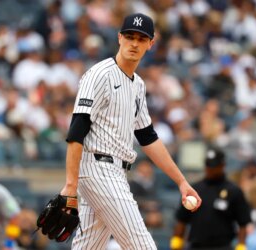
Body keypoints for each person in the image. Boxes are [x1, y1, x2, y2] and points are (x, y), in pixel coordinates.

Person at [59, 12, 201, 249]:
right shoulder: (99, 74)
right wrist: (70, 186)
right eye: (129, 36)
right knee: (142, 245)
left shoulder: (138, 84)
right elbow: (76, 131)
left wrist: (181, 181)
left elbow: (148, 137)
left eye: (141, 39)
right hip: (98, 170)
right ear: (119, 38)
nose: (134, 43)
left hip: (115, 172)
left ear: (150, 44)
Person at [171, 148, 251, 250]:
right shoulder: (194, 189)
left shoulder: (234, 191)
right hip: (196, 246)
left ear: (222, 165)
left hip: (222, 247)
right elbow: (181, 220)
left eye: (214, 166)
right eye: (208, 165)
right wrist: (176, 243)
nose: (210, 169)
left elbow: (243, 223)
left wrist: (241, 245)